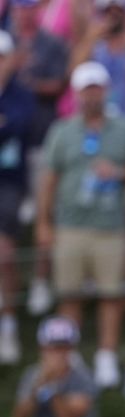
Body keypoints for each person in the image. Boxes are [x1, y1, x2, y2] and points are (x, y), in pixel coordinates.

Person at [36, 62, 125, 389]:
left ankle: (106, 357)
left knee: (110, 295)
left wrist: (117, 172)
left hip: (110, 225)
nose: (91, 95)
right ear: (76, 94)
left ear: (106, 90)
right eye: (86, 89)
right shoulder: (62, 131)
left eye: (96, 88)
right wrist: (44, 222)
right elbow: (49, 179)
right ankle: (69, 359)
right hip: (70, 225)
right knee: (69, 294)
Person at [71, 0, 125, 297]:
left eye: (117, 9)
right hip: (95, 140)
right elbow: (73, 74)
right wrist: (92, 37)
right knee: (92, 209)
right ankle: (93, 276)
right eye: (106, 9)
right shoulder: (93, 45)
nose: (112, 15)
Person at [10, 0, 70, 317]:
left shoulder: (52, 44)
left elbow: (59, 85)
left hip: (42, 141)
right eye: (19, 5)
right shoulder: (6, 38)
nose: (24, 10)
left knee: (45, 217)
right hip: (10, 151)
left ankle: (40, 282)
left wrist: (23, 79)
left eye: (29, 5)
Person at [0, 30, 35, 365]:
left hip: (9, 184)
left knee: (4, 254)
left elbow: (20, 125)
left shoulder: (20, 94)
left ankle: (7, 324)